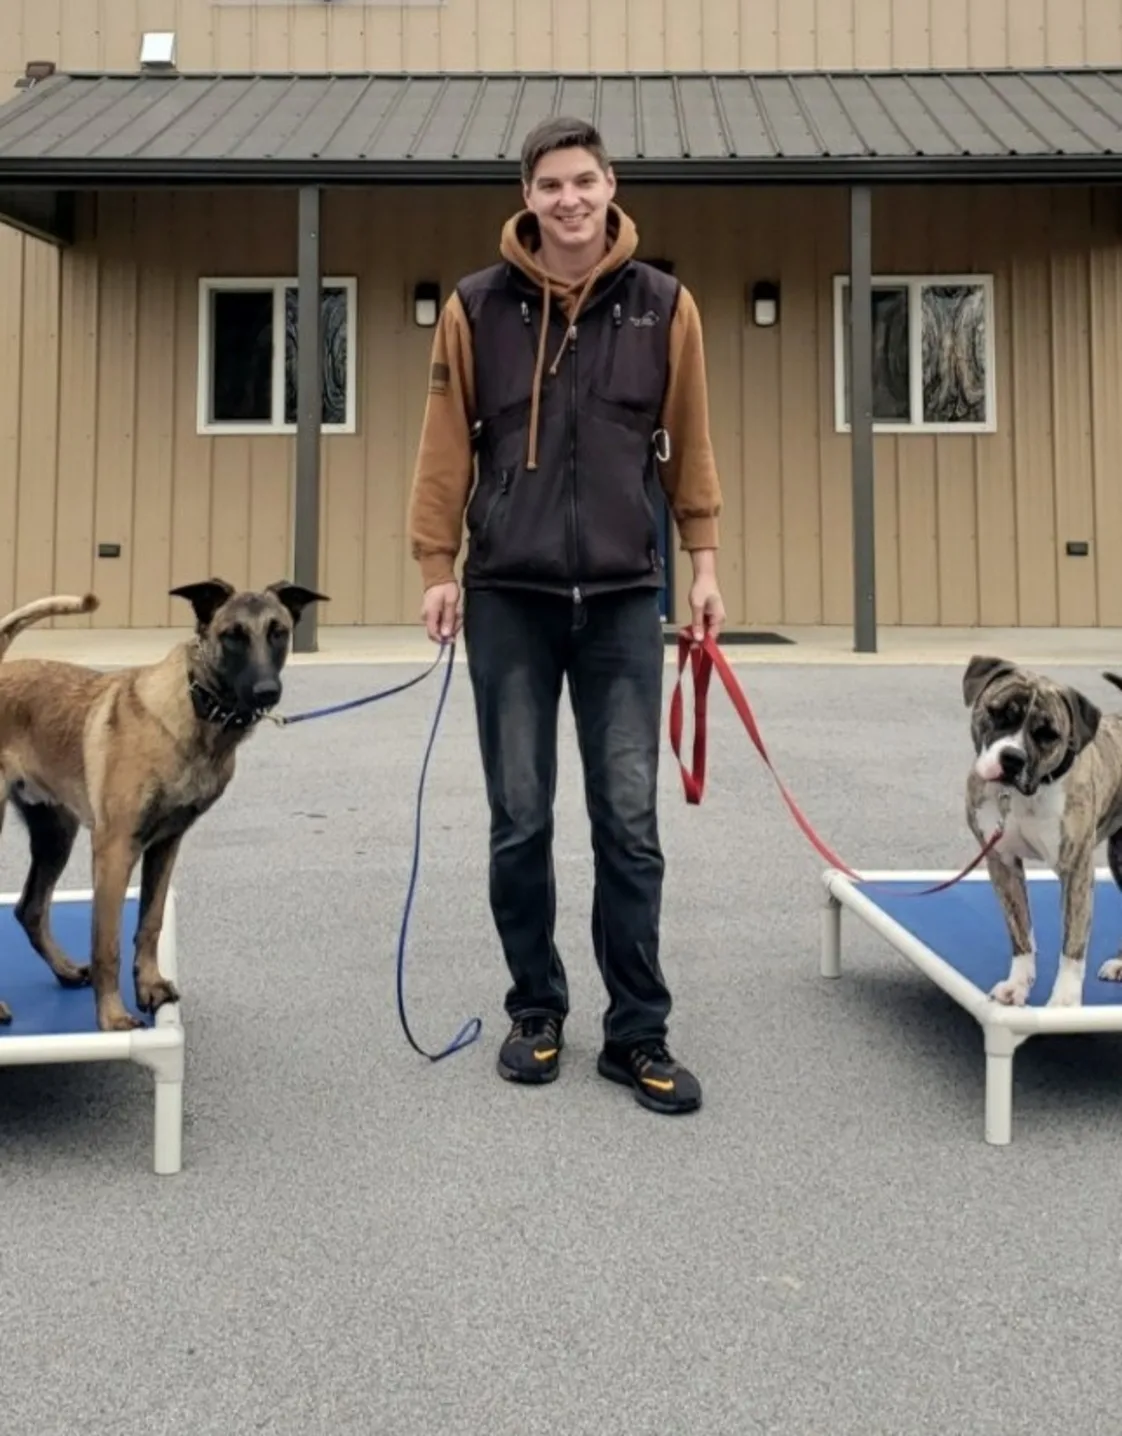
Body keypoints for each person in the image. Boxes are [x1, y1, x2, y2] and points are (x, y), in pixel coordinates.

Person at [406, 115, 725, 1116]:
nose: (569, 200)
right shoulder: (476, 306)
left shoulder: (665, 306)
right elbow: (444, 447)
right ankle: (536, 1009)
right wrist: (436, 564)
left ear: (610, 185)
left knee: (628, 824)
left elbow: (691, 442)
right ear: (528, 197)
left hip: (626, 598)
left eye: (583, 181)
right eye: (550, 185)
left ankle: (638, 1032)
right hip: (509, 596)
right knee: (520, 820)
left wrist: (704, 564)